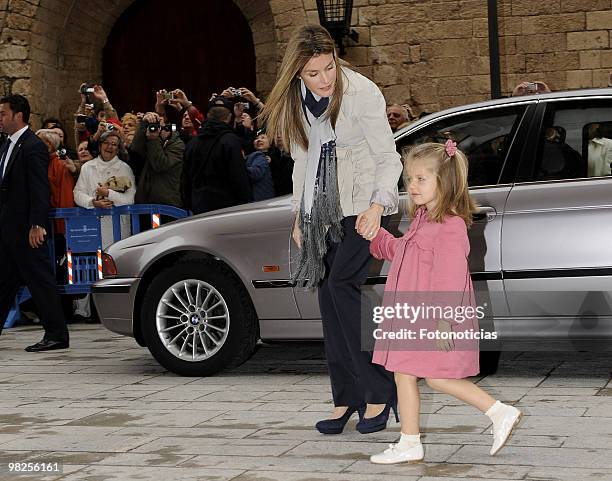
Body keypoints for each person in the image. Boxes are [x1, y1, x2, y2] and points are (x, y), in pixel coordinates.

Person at [259, 25, 403, 435]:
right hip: (322, 207)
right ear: (297, 75)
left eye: (329, 69)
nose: (324, 80)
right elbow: (303, 160)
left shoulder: (361, 92)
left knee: (342, 286)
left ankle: (378, 390)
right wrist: (299, 216)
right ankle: (346, 398)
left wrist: (377, 206)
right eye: (313, 73)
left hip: (364, 204)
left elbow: (387, 157)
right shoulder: (299, 101)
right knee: (328, 298)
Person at [368, 141, 521, 464]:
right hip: (415, 312)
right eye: (409, 179)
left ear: (445, 182)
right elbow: (404, 253)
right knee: (404, 372)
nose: (412, 186)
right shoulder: (424, 219)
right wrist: (378, 238)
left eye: (421, 179)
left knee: (434, 376)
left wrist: (443, 321)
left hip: (434, 315)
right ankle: (410, 441)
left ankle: (498, 411)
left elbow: (451, 279)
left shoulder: (449, 226)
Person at [0, 94, 70, 351]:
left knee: (40, 281)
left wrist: (37, 224)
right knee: (3, 282)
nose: (0, 118)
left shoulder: (33, 146)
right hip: (7, 230)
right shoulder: (6, 144)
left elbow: (40, 189)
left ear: (18, 115)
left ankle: (57, 334)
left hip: (26, 230)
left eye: (3, 114)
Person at [182, 96, 252, 214]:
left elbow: (185, 179)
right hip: (227, 210)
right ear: (229, 117)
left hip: (199, 209)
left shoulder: (192, 143)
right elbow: (239, 177)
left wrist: (189, 203)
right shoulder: (231, 141)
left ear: (208, 115)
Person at [73, 130, 135, 248]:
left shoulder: (125, 169)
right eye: (106, 143)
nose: (109, 147)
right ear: (100, 145)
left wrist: (108, 193)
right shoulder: (87, 167)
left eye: (114, 144)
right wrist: (93, 202)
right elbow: (77, 193)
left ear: (118, 149)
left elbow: (130, 199)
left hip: (118, 229)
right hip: (93, 226)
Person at [130, 112, 184, 208]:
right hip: (145, 202)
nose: (157, 129)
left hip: (166, 204)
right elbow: (135, 150)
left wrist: (153, 140)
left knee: (162, 224)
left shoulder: (177, 145)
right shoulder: (152, 141)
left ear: (169, 128)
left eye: (161, 126)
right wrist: (144, 124)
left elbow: (160, 164)